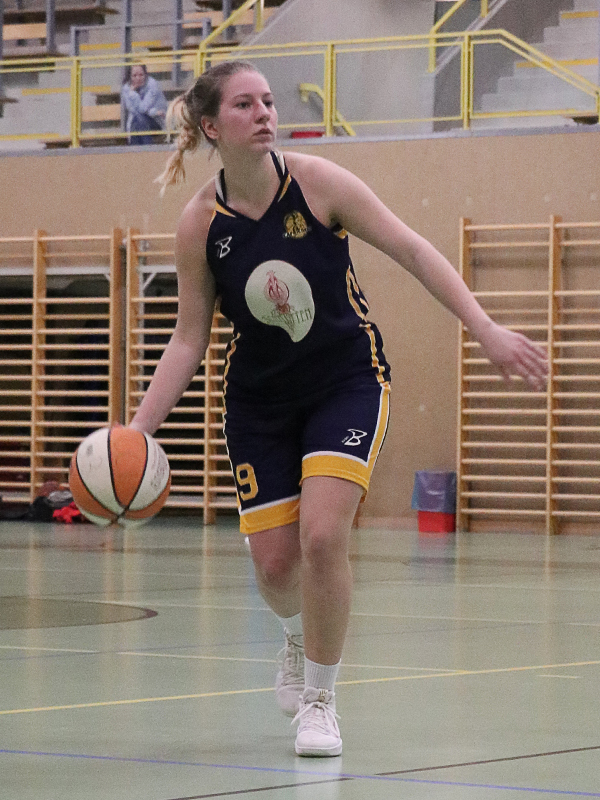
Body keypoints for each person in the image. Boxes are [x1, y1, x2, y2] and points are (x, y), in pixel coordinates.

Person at [128, 60, 548, 757]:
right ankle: (296, 639)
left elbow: (412, 249)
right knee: (274, 567)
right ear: (211, 126)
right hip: (259, 401)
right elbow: (188, 337)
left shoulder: (319, 185)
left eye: (268, 100)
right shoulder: (200, 224)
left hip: (345, 381)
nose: (265, 112)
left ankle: (320, 702)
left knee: (323, 537)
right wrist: (137, 432)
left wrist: (485, 327)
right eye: (244, 104)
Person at [121, 64, 168, 145]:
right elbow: (132, 109)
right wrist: (152, 112)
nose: (138, 78)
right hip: (137, 121)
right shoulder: (126, 88)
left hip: (156, 121)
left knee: (139, 118)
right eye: (134, 75)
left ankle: (141, 149)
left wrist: (132, 94)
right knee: (138, 120)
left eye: (141, 75)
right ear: (130, 76)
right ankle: (143, 149)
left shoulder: (152, 84)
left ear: (145, 75)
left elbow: (143, 108)